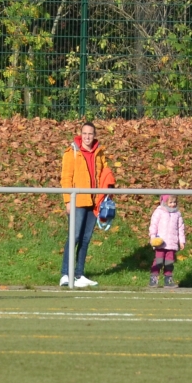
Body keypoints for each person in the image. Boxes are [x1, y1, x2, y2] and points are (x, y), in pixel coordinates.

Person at [59, 122, 114, 287]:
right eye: (84, 133)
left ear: (94, 135)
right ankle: (65, 274)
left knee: (85, 238)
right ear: (80, 134)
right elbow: (66, 178)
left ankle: (79, 274)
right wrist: (68, 200)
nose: (87, 137)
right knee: (74, 236)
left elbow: (105, 174)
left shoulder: (99, 152)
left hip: (94, 201)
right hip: (77, 200)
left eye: (90, 134)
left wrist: (106, 195)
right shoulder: (72, 152)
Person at [148, 192, 185, 288]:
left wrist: (181, 241)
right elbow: (154, 225)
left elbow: (180, 228)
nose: (173, 204)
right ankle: (153, 278)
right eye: (170, 202)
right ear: (165, 202)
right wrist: (153, 237)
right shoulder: (159, 212)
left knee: (169, 262)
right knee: (158, 261)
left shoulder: (177, 214)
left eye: (174, 202)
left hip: (172, 244)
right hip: (160, 243)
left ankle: (168, 279)